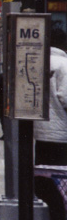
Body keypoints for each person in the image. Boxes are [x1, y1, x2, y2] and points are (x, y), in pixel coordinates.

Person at [35, 28, 67, 166]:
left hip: (38, 132)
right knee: (59, 177)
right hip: (60, 134)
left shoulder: (37, 62)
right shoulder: (64, 65)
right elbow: (65, 98)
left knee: (42, 174)